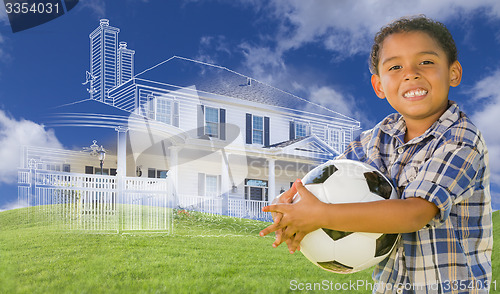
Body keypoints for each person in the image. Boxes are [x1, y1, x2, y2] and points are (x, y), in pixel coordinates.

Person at [260, 15, 493, 293]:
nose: (411, 73)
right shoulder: (376, 138)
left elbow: (414, 215)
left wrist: (321, 215)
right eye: (395, 66)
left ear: (453, 72)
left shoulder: (461, 138)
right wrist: (293, 204)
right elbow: (330, 181)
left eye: (426, 62)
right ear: (379, 86)